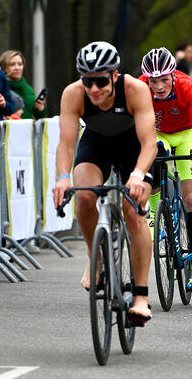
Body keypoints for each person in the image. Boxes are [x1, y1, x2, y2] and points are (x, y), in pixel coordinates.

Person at [52, 41, 157, 325]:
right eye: (87, 81)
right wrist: (63, 178)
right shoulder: (74, 94)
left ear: (114, 75)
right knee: (85, 197)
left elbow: (149, 143)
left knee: (134, 212)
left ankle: (141, 297)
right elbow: (66, 145)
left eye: (100, 81)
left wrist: (138, 174)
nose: (94, 89)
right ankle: (95, 256)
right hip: (96, 145)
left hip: (134, 148)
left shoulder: (135, 90)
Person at [139, 47, 192, 290]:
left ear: (173, 74)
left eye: (163, 79)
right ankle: (153, 214)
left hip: (186, 134)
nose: (158, 86)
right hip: (158, 133)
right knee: (153, 157)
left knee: (190, 197)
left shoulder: (188, 86)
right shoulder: (139, 88)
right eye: (153, 81)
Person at [0, 50, 47, 120]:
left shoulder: (29, 89)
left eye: (20, 64)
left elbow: (37, 116)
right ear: (4, 67)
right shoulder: (0, 88)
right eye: (12, 64)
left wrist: (40, 109)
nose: (17, 68)